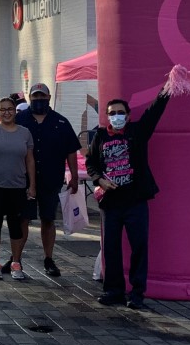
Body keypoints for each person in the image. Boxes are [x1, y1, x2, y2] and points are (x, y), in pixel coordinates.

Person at [87, 83, 171, 310]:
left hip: (135, 201)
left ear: (128, 115)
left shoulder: (137, 132)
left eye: (120, 113)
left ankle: (136, 292)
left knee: (139, 246)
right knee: (111, 248)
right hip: (110, 203)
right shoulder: (100, 136)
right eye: (112, 113)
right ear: (106, 116)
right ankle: (113, 290)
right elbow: (91, 163)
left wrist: (168, 88)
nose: (116, 117)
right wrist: (99, 180)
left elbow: (154, 112)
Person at [16, 83, 80, 277]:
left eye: (41, 96)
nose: (38, 100)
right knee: (23, 219)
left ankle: (48, 258)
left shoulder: (60, 122)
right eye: (34, 97)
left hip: (51, 178)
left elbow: (71, 151)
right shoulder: (21, 120)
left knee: (48, 219)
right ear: (29, 98)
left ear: (49, 97)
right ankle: (16, 259)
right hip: (24, 180)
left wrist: (74, 176)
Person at [0, 95, 36, 280]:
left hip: (17, 184)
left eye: (10, 109)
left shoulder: (24, 132)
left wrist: (32, 185)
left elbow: (29, 160)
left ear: (15, 111)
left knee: (15, 225)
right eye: (2, 110)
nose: (6, 113)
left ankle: (16, 263)